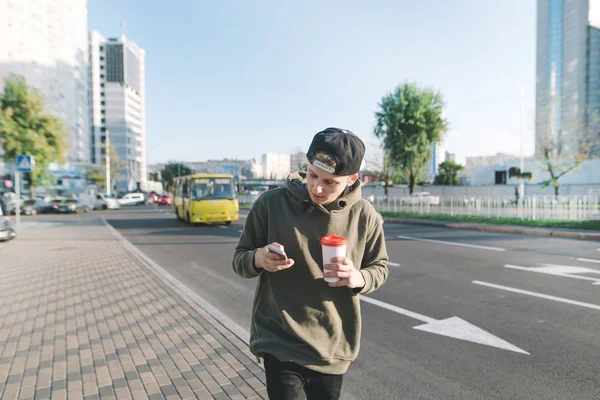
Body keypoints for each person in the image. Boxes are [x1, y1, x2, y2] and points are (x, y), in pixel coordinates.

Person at [232, 127, 389, 400]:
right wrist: (258, 259)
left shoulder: (365, 215)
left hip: (332, 345)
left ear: (352, 179)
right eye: (313, 175)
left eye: (330, 182)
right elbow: (240, 260)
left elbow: (380, 267)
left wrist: (359, 278)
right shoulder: (270, 204)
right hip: (279, 339)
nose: (317, 187)